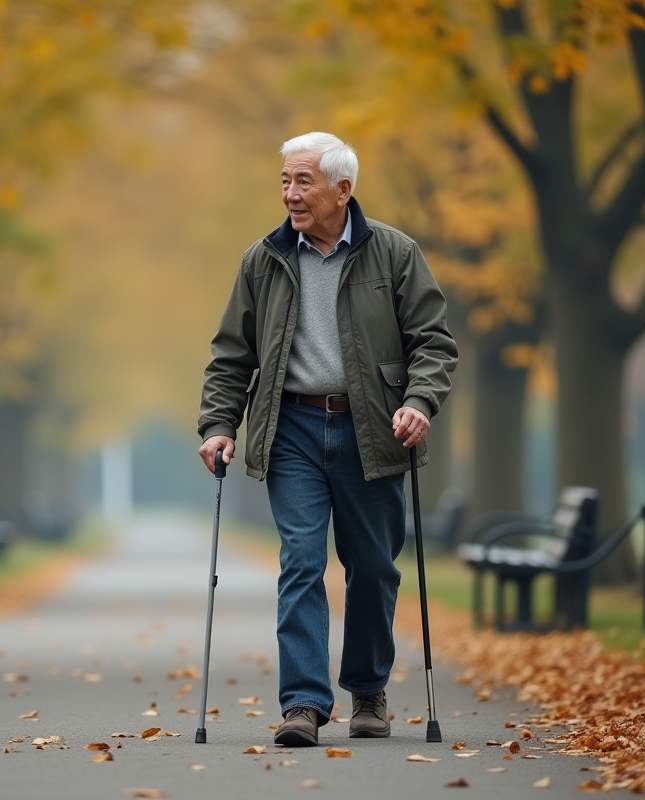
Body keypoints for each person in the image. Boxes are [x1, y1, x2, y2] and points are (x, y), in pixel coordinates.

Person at [197, 132, 457, 747]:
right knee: (301, 562)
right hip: (291, 429)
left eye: (303, 181)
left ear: (344, 189)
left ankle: (368, 689)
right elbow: (232, 355)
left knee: (371, 568)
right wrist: (218, 424)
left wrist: (419, 404)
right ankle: (304, 705)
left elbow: (433, 342)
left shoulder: (394, 253)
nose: (290, 193)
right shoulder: (263, 260)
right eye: (286, 181)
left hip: (373, 428)